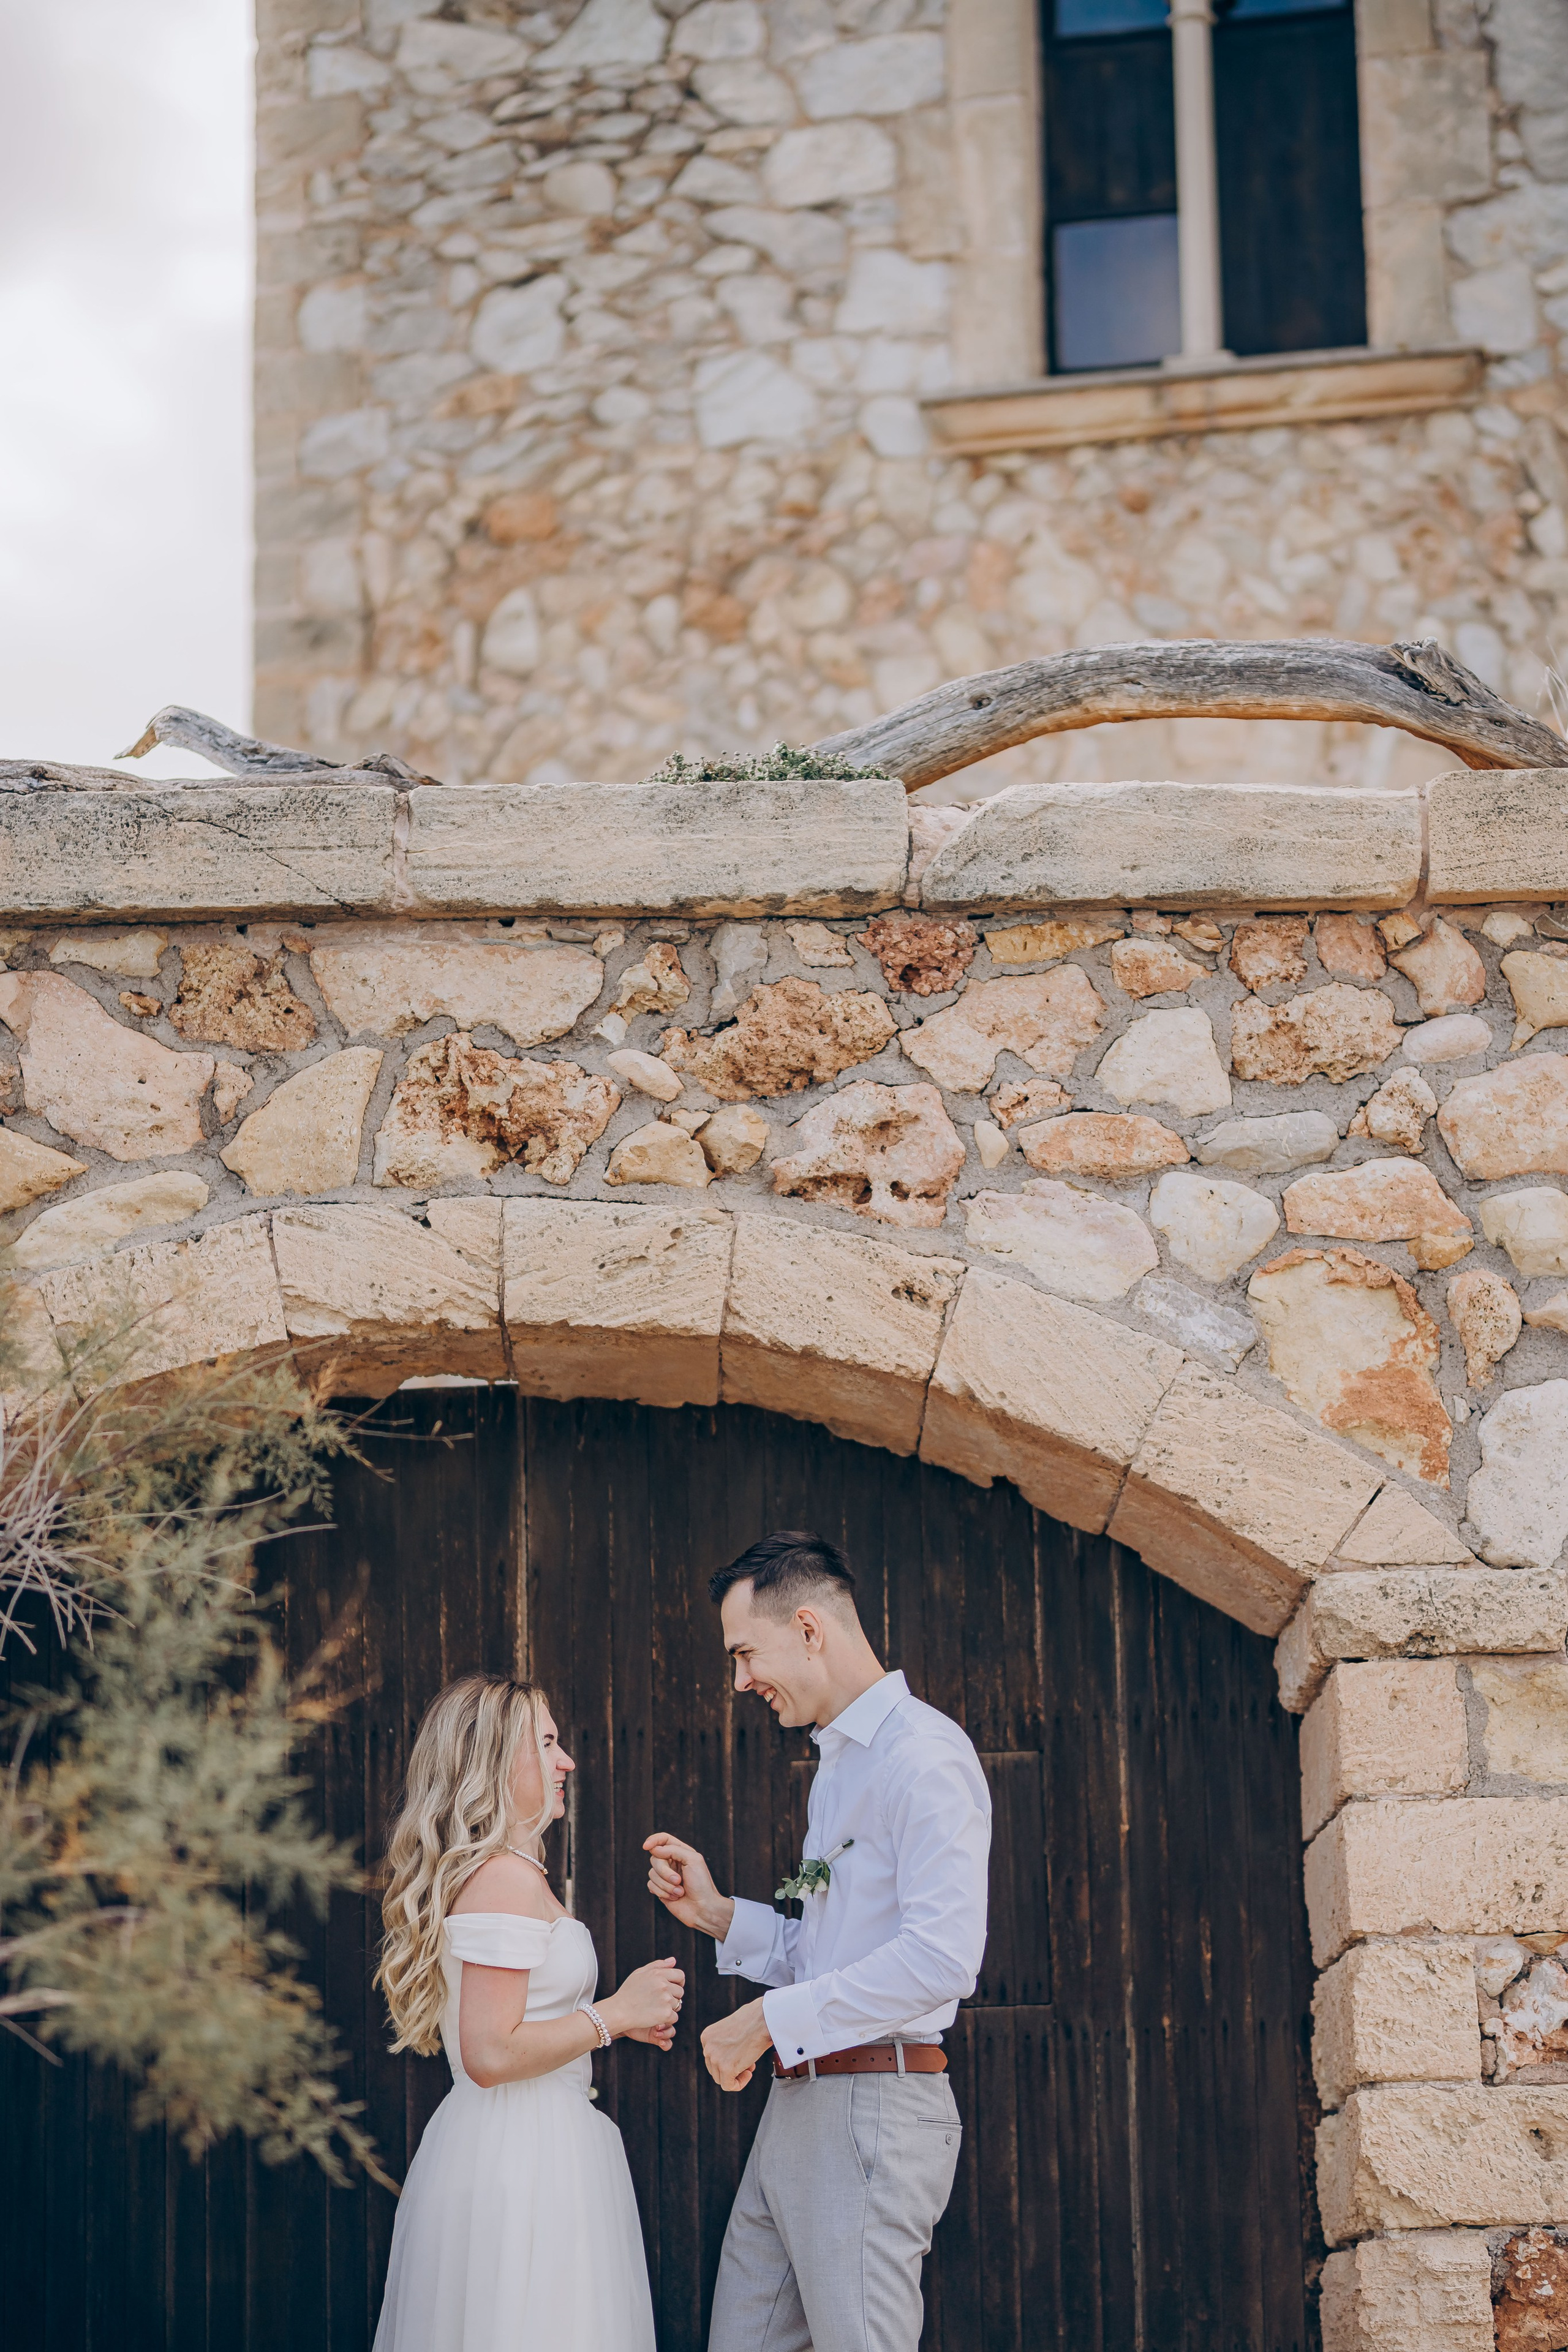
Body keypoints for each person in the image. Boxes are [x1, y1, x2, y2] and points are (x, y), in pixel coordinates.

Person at [645, 1531, 991, 2352]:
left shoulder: (925, 1756)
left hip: (875, 2105)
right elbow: (830, 1949)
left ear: (808, 1629)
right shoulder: (839, 1767)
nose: (739, 1681)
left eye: (744, 1654)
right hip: (800, 2106)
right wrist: (723, 1915)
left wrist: (766, 2022)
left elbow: (943, 1958)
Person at [373, 1673, 683, 2352]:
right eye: (546, 1743)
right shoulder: (503, 1879)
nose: (566, 1760)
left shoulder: (511, 1872)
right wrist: (614, 2015)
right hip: (521, 2160)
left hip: (532, 2142)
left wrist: (618, 2019)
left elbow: (522, 2024)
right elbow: (488, 2053)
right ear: (492, 1764)